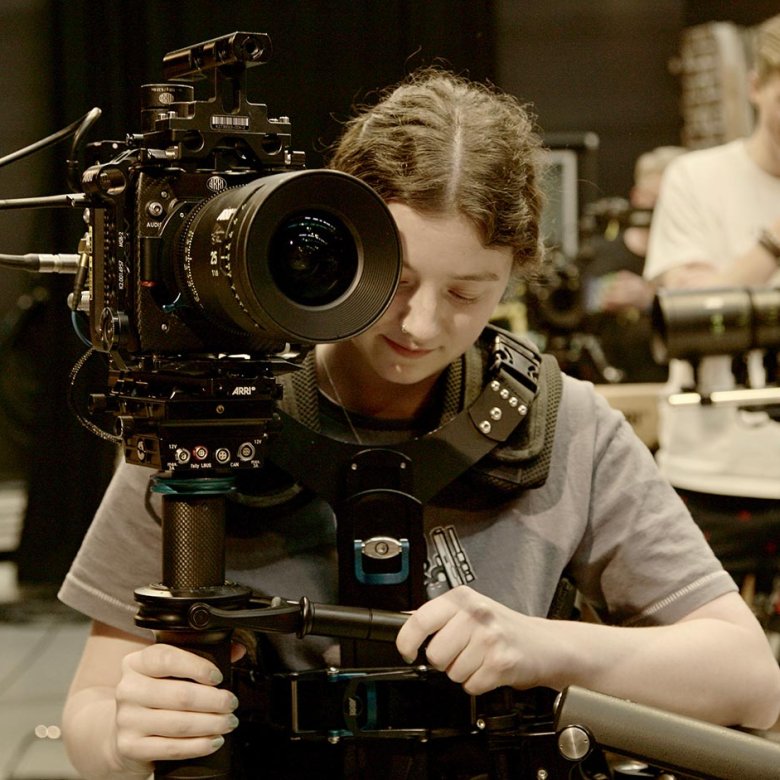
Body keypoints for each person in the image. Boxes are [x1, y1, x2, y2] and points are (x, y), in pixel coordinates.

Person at [58, 68, 780, 780]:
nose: (422, 325)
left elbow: (747, 678)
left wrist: (543, 647)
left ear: (515, 272)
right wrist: (125, 739)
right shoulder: (207, 413)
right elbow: (91, 714)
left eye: (468, 292)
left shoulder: (568, 426)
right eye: (394, 282)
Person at [644, 14, 780, 602]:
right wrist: (771, 244)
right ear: (756, 84)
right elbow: (691, 317)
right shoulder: (696, 178)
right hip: (714, 478)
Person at [580, 145, 687, 383]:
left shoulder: (691, 257)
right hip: (611, 384)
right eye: (654, 201)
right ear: (637, 197)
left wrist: (651, 300)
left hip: (672, 382)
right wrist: (600, 296)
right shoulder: (600, 253)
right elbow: (576, 311)